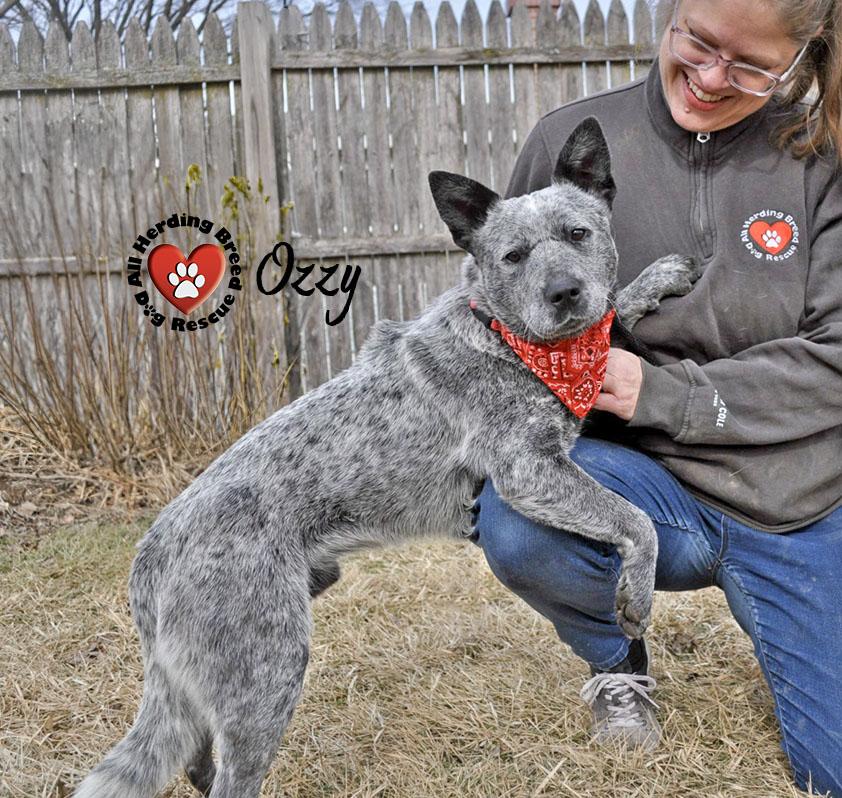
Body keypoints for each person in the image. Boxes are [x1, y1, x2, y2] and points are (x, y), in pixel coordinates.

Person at [470, 0, 842, 794]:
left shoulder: (822, 160)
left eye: (748, 67)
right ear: (669, 13)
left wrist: (661, 392)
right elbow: (505, 314)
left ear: (802, 55)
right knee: (518, 512)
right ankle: (618, 658)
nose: (710, 79)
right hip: (647, 487)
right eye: (697, 43)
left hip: (799, 501)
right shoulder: (569, 142)